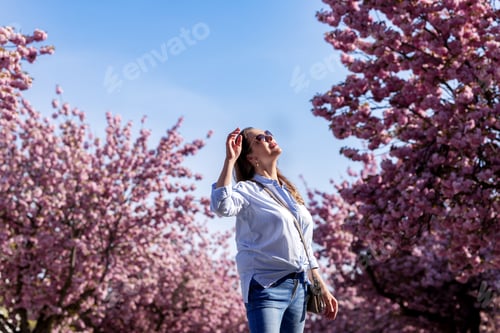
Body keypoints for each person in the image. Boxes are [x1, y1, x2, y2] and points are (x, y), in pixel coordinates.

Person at [210, 127, 338, 333]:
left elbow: (305, 248)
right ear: (251, 157)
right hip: (266, 286)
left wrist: (321, 287)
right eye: (260, 138)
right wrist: (230, 160)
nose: (269, 137)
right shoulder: (247, 190)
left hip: (299, 289)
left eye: (269, 133)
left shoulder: (290, 194)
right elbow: (221, 205)